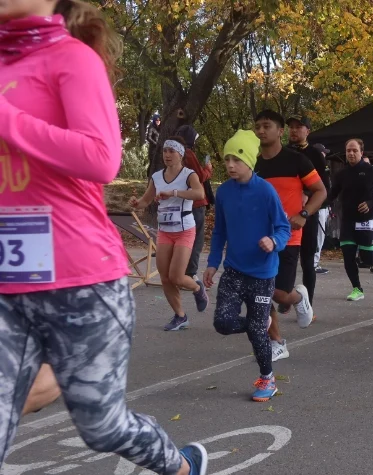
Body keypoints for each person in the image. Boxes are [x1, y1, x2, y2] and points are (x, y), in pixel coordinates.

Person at [0, 1, 208, 472]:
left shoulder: (70, 58)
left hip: (83, 283)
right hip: (7, 285)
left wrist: (6, 118)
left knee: (102, 426)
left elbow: (100, 158)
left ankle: (179, 465)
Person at [204, 130, 291, 403]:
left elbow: (283, 227)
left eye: (236, 159)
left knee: (256, 332)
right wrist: (212, 263)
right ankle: (259, 322)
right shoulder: (224, 193)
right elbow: (219, 232)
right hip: (233, 270)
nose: (230, 165)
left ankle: (268, 377)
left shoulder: (265, 191)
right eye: (227, 159)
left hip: (262, 274)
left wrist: (273, 241)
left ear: (249, 163)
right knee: (223, 322)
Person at [254, 110, 322, 361]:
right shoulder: (253, 163)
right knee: (261, 293)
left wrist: (304, 214)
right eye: (258, 126)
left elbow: (320, 191)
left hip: (287, 237)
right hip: (259, 238)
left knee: (280, 293)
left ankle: (298, 296)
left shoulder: (297, 160)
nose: (261, 131)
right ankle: (277, 343)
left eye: (267, 126)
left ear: (280, 131)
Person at [130, 137, 209, 330]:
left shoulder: (189, 175)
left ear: (180, 154)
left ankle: (198, 288)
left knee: (177, 277)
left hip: (184, 229)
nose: (167, 155)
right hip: (165, 230)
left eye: (171, 151)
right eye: (165, 151)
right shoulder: (157, 177)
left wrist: (174, 193)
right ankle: (180, 316)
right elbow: (146, 200)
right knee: (165, 277)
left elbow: (199, 194)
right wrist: (136, 203)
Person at [326, 138, 373, 301]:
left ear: (361, 152)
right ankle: (357, 288)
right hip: (347, 220)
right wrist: (318, 204)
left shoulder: (371, 171)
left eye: (355, 150)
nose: (351, 153)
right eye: (348, 151)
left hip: (366, 219)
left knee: (366, 258)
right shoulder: (341, 174)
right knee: (348, 256)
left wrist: (371, 202)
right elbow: (332, 194)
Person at [285, 114, 332, 290]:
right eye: (291, 127)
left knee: (307, 261)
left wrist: (306, 195)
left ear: (308, 131)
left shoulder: (315, 155)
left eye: (298, 127)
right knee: (285, 259)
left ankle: (308, 306)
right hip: (285, 213)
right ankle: (285, 295)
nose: (294, 130)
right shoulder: (283, 152)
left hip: (308, 215)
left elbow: (325, 187)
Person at [175, 124, 214, 281]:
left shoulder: (174, 153)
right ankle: (190, 273)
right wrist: (208, 169)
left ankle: (179, 270)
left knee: (182, 237)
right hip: (195, 203)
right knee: (196, 239)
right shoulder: (188, 154)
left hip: (181, 202)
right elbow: (199, 177)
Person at [312, 143, 332, 274]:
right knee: (319, 235)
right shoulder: (316, 169)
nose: (325, 155)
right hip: (318, 207)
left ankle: (313, 261)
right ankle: (314, 263)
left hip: (323, 206)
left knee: (319, 235)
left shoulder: (324, 169)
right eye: (323, 153)